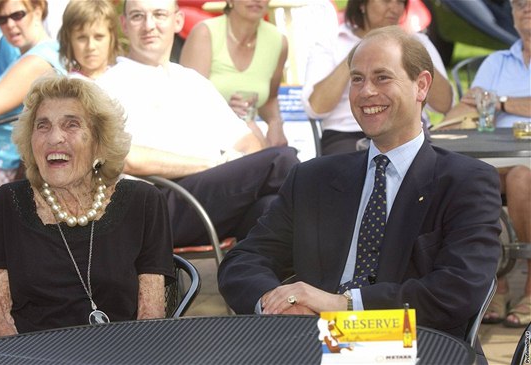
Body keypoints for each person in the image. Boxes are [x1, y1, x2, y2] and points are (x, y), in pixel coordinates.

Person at [218, 26, 501, 363]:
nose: (366, 92)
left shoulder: (466, 181)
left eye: (382, 78)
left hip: (413, 340)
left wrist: (343, 306)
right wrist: (277, 302)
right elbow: (243, 260)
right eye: (357, 79)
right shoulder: (313, 178)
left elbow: (458, 289)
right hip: (308, 335)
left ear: (421, 85)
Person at [0, 75, 174, 339]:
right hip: (32, 357)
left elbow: (151, 317)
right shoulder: (9, 203)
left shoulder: (144, 201)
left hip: (118, 353)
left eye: (71, 125)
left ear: (99, 142)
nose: (54, 138)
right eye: (42, 126)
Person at [96, 0, 300, 247]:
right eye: (138, 16)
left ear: (177, 21)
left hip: (208, 200)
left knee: (269, 209)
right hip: (155, 204)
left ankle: (258, 283)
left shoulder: (191, 80)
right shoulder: (109, 85)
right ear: (124, 25)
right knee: (282, 161)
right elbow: (126, 158)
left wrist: (228, 168)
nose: (149, 26)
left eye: (159, 15)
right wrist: (210, 165)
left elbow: (248, 142)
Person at [442, 0, 531, 328]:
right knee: (480, 178)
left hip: (525, 166)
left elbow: (487, 103)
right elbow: (471, 104)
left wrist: (502, 102)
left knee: (522, 178)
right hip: (498, 158)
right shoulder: (496, 61)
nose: (527, 8)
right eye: (520, 4)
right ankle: (498, 283)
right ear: (511, 12)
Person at [301, 0, 453, 155]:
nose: (394, 8)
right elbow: (316, 108)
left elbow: (445, 104)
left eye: (401, 2)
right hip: (347, 136)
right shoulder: (332, 42)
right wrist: (363, 50)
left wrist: (413, 52)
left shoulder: (417, 42)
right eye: (386, 1)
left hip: (408, 133)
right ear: (362, 4)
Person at [0, 0, 65, 192]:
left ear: (38, 10)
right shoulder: (31, 56)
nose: (10, 25)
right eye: (2, 19)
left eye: (17, 15)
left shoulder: (38, 60)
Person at [179, 0, 288, 147]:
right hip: (202, 140)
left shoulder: (277, 41)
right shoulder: (205, 33)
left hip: (247, 140)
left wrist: (276, 123)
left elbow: (270, 98)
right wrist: (224, 112)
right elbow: (186, 101)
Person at [58, 0, 122, 80]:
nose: (90, 46)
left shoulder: (124, 77)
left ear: (112, 37)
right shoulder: (66, 87)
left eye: (98, 37)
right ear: (69, 41)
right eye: (82, 38)